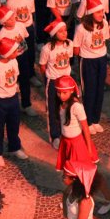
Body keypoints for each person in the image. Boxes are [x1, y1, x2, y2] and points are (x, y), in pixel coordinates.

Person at [54, 75, 110, 213]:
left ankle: (109, 198)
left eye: (64, 92)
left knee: (91, 175)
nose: (61, 95)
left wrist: (89, 148)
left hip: (78, 145)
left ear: (71, 91)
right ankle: (75, 197)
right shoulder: (60, 104)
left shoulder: (77, 106)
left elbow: (85, 128)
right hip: (67, 143)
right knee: (72, 174)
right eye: (58, 92)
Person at [0, 37, 29, 167]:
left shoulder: (14, 61)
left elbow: (16, 77)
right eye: (15, 51)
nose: (17, 52)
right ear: (8, 53)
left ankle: (14, 147)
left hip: (13, 98)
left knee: (14, 125)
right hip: (0, 102)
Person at [73, 0, 110, 135]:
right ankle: (87, 121)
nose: (102, 14)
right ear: (90, 14)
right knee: (89, 91)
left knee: (100, 90)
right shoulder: (81, 28)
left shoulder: (104, 24)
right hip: (88, 61)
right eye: (98, 12)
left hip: (101, 59)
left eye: (102, 11)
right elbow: (76, 48)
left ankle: (95, 120)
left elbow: (105, 40)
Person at [0, 5, 36, 117]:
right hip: (10, 61)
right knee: (12, 82)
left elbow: (25, 38)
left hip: (23, 56)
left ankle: (26, 104)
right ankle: (11, 107)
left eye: (13, 17)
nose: (13, 20)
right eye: (9, 19)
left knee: (25, 79)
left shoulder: (20, 26)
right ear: (3, 22)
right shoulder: (2, 35)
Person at [39, 20, 74, 149]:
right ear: (54, 34)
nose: (64, 33)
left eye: (65, 30)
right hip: (54, 81)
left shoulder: (69, 44)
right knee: (53, 109)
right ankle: (55, 136)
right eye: (61, 31)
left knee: (67, 108)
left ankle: (67, 131)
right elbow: (42, 66)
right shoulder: (46, 49)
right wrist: (47, 80)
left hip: (67, 81)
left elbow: (69, 60)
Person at [6, 0, 40, 88]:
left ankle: (31, 75)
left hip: (28, 28)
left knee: (30, 53)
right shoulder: (11, 2)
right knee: (20, 54)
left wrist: (33, 27)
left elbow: (32, 13)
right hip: (18, 32)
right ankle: (20, 77)